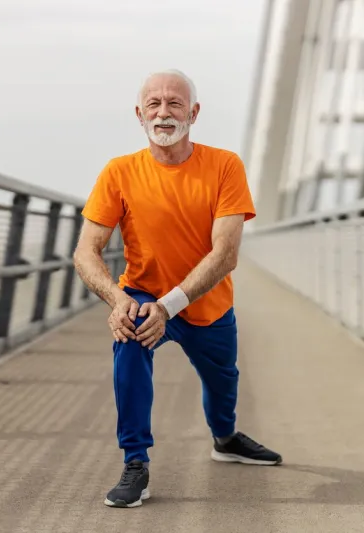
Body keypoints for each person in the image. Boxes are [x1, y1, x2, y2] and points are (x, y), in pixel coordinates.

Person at [73, 69, 282, 509]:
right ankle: (135, 461)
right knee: (129, 338)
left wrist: (170, 306)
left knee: (223, 381)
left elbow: (226, 253)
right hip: (144, 296)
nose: (163, 113)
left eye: (174, 103)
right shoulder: (119, 172)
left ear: (194, 112)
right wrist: (118, 300)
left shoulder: (224, 165)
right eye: (154, 104)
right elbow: (86, 252)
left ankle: (225, 438)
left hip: (206, 303)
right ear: (139, 114)